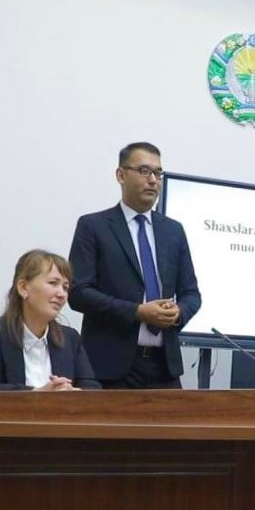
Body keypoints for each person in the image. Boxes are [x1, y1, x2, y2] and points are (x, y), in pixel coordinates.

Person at [68, 142, 201, 389]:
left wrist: (178, 312)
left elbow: (191, 294)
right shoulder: (93, 226)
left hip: (164, 368)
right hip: (110, 368)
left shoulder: (173, 231)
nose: (153, 180)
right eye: (144, 171)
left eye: (158, 173)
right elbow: (78, 293)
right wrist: (137, 312)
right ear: (121, 175)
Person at [0, 250, 101, 391]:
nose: (62, 294)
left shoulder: (70, 338)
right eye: (53, 283)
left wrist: (74, 393)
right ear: (23, 288)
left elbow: (92, 389)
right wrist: (35, 394)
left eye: (65, 287)